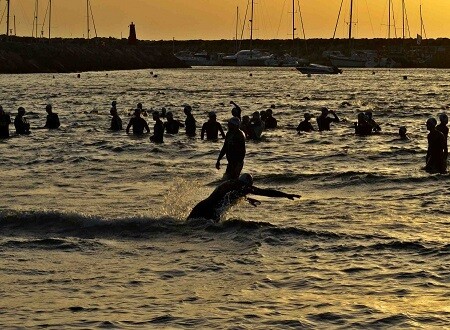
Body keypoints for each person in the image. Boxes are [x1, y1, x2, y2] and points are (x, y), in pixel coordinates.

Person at [187, 173, 301, 222]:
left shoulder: (230, 183)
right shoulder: (243, 187)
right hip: (210, 213)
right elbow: (265, 192)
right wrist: (286, 195)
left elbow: (229, 195)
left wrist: (246, 198)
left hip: (201, 206)